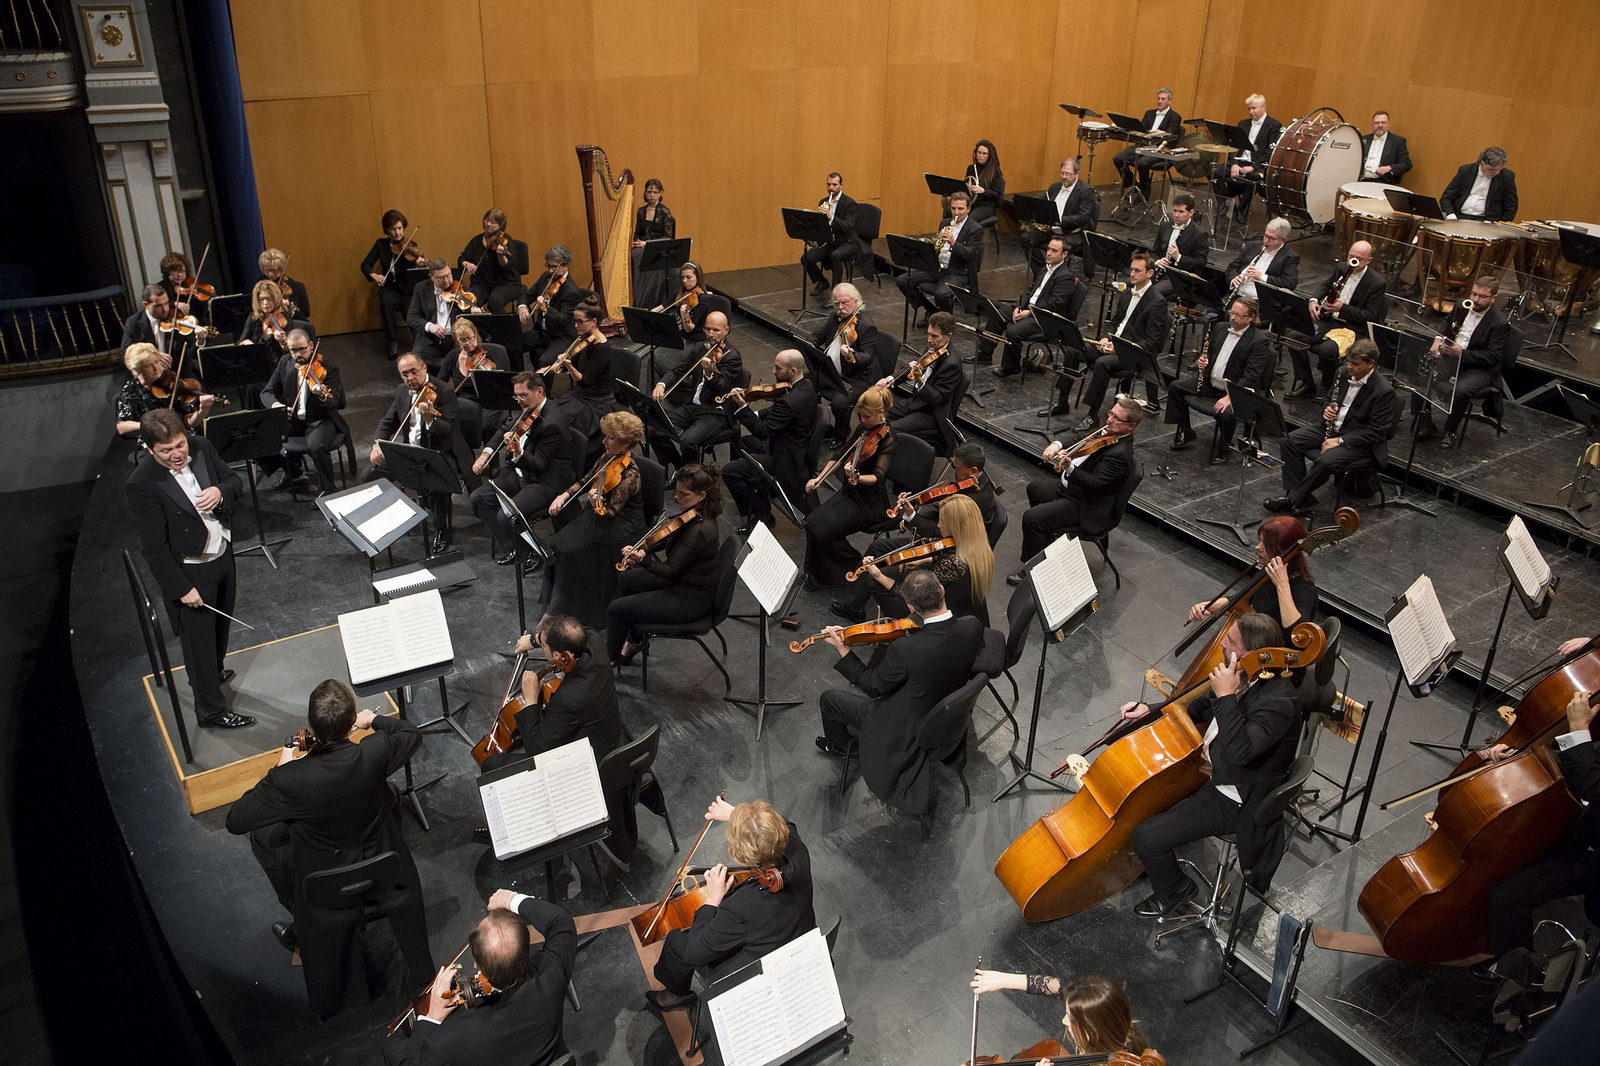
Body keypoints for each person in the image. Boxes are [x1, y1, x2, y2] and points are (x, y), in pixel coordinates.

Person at [226, 680, 432, 1020]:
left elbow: (236, 820)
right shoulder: (374, 751)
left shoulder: (289, 780)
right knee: (390, 794)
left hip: (324, 885)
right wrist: (373, 721)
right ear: (351, 719)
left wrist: (278, 768)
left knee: (263, 838)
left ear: (311, 726)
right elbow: (410, 733)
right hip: (384, 867)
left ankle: (295, 910)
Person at [1124, 611, 1300, 915]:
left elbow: (1239, 753)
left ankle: (1174, 889)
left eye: (1230, 642)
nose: (1223, 646)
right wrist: (1149, 711)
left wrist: (1226, 697)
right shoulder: (1244, 675)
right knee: (1140, 802)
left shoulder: (1278, 703)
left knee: (1146, 837)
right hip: (1210, 771)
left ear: (1254, 654)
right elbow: (1193, 709)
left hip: (1234, 797)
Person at [815, 569, 983, 813]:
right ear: (942, 591)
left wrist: (843, 650)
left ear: (911, 607)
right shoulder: (972, 626)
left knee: (829, 699)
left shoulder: (906, 649)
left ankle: (840, 747)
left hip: (904, 726)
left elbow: (873, 686)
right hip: (943, 716)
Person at [1477, 641, 1598, 978]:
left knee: (1507, 895)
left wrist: (1578, 730)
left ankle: (1519, 979)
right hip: (1588, 827)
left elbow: (1594, 786)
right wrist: (1522, 757)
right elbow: (1587, 760)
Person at [125, 408, 251, 728]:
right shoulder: (142, 483)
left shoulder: (201, 447)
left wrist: (219, 491)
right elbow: (154, 549)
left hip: (222, 556)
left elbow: (234, 480)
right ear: (149, 450)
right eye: (166, 451)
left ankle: (212, 673)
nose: (177, 454)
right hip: (191, 572)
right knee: (198, 645)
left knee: (219, 631)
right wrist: (182, 589)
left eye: (179, 445)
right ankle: (211, 711)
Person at [647, 798, 816, 1013]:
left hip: (756, 971)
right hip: (798, 940)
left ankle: (675, 995)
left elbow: (694, 953)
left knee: (676, 942)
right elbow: (785, 824)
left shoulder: (739, 908)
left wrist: (712, 900)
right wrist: (740, 817)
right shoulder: (797, 849)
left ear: (740, 853)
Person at [384, 889, 574, 1066]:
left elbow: (407, 1061)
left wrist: (431, 1018)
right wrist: (511, 899)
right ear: (526, 951)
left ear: (476, 963)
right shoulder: (552, 974)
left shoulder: (451, 1039)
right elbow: (560, 921)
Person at [479, 615, 624, 776]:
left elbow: (537, 749)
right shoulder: (595, 643)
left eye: (544, 646)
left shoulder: (568, 698)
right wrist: (535, 640)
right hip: (611, 735)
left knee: (491, 765)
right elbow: (580, 628)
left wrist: (531, 700)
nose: (543, 648)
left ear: (557, 656)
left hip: (589, 762)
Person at [609, 463, 723, 665]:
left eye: (683, 494)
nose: (676, 497)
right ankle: (635, 640)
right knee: (626, 579)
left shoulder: (700, 530)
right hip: (681, 582)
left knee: (617, 609)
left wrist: (642, 560)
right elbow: (666, 537)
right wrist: (644, 548)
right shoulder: (693, 513)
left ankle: (609, 661)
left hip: (689, 599)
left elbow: (670, 570)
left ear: (701, 496)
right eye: (677, 492)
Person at [1015, 398, 1141, 580]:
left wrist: (1070, 467)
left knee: (1032, 518)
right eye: (1110, 414)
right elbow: (1080, 437)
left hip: (1087, 505)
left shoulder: (1120, 454)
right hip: (1074, 489)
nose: (1109, 420)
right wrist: (1056, 444)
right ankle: (1045, 539)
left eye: (1116, 418)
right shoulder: (1107, 432)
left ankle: (1032, 572)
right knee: (1035, 488)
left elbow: (1095, 484)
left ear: (1131, 427)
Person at [1266, 338, 1396, 515]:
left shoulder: (1383, 391)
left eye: (1355, 364)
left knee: (1325, 461)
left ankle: (1292, 500)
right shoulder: (1342, 373)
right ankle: (1302, 497)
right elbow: (1328, 397)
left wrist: (1340, 441)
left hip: (1359, 443)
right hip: (1330, 428)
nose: (1349, 367)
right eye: (1348, 361)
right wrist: (1327, 408)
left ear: (1371, 363)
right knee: (1289, 440)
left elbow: (1377, 432)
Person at [542, 411, 646, 630]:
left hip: (620, 527)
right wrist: (564, 495)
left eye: (610, 437)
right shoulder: (608, 456)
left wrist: (594, 504)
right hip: (597, 515)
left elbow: (610, 513)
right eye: (605, 435)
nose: (604, 441)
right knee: (555, 545)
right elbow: (586, 479)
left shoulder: (630, 476)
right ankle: (556, 603)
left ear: (625, 442)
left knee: (571, 552)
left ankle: (557, 611)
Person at [1042, 253, 1169, 429]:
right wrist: (1105, 338)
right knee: (1073, 350)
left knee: (1102, 364)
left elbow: (1151, 342)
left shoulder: (1157, 302)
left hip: (1133, 354)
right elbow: (1115, 323)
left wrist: (1119, 348)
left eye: (1137, 270)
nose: (1132, 274)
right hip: (1114, 346)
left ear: (1150, 273)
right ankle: (1062, 401)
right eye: (1131, 269)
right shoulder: (1127, 293)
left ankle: (1093, 416)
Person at [367, 353, 477, 554]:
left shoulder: (444, 392)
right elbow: (387, 422)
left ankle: (442, 529)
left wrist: (430, 420)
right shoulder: (403, 391)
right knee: (371, 475)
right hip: (410, 451)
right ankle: (379, 519)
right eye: (404, 374)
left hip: (441, 451)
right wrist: (377, 444)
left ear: (424, 369)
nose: (410, 378)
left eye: (413, 372)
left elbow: (448, 430)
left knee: (437, 484)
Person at [831, 494, 993, 625]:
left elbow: (913, 595)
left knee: (876, 582)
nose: (938, 525)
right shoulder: (978, 545)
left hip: (943, 618)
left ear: (956, 526)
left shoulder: (954, 563)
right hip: (958, 605)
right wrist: (927, 560)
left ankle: (901, 627)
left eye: (942, 521)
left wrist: (878, 575)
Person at [470, 372, 575, 567]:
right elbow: (504, 430)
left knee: (507, 515)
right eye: (516, 396)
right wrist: (485, 455)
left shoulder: (552, 423)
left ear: (539, 392)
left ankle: (535, 553)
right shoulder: (529, 408)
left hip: (544, 481)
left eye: (523, 395)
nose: (519, 401)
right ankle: (515, 546)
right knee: (479, 499)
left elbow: (541, 466)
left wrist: (518, 452)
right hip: (521, 473)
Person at [969, 969, 1166, 1066]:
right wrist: (1004, 979)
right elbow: (1060, 987)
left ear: (1092, 1032)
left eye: (1070, 1019)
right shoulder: (1120, 1028)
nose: (1064, 1021)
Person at [803, 385, 897, 588]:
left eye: (867, 417)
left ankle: (852, 564)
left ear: (881, 412)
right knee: (812, 523)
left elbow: (879, 477)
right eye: (860, 416)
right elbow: (840, 456)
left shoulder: (888, 439)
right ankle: (816, 576)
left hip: (870, 502)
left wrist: (858, 477)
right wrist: (819, 478)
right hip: (850, 492)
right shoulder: (863, 429)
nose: (863, 421)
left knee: (823, 530)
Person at [722, 349, 819, 533]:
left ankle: (762, 515)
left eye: (778, 368)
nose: (773, 371)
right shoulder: (806, 384)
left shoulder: (789, 402)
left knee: (730, 472)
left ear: (792, 371)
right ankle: (758, 487)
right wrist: (756, 413)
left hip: (784, 459)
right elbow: (778, 409)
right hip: (793, 444)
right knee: (744, 443)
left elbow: (763, 431)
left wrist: (743, 407)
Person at [1166, 296, 1270, 462]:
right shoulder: (1221, 328)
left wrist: (1230, 397)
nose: (1233, 318)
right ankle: (1186, 431)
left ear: (1251, 317)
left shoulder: (1259, 341)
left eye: (1239, 315)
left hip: (1237, 390)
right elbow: (1209, 353)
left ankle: (1224, 447)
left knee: (1226, 414)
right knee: (1176, 387)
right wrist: (1203, 361)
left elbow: (1251, 375)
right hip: (1211, 383)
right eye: (1232, 313)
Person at [1414, 275, 1512, 448]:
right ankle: (1425, 421)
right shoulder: (1461, 305)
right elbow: (1447, 322)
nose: (1475, 299)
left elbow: (1493, 356)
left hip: (1479, 367)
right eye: (1474, 294)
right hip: (1451, 358)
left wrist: (1462, 353)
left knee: (1462, 390)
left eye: (1482, 296)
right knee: (1424, 372)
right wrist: (1437, 340)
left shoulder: (1499, 323)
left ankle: (1450, 430)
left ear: (1493, 298)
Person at [1287, 239, 1388, 399]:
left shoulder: (1376, 283)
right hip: (1330, 320)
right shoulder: (1342, 268)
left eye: (1359, 259)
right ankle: (1307, 383)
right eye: (1351, 256)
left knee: (1328, 350)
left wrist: (1343, 309)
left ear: (1369, 260)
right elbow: (1326, 286)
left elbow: (1372, 316)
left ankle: (1328, 388)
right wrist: (1313, 300)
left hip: (1352, 328)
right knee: (1293, 337)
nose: (1353, 262)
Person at [1189, 516, 1319, 630]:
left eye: (1266, 544)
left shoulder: (1303, 589)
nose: (1258, 547)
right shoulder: (1268, 571)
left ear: (1283, 550)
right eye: (1260, 541)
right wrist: (1207, 606)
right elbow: (1238, 601)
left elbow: (1297, 632)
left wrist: (1282, 585)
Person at [648, 311, 741, 468]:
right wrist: (662, 384)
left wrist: (709, 373)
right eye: (707, 329)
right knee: (655, 430)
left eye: (716, 330)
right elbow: (678, 370)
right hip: (694, 405)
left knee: (688, 441)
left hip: (716, 411)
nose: (710, 334)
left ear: (726, 330)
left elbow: (723, 389)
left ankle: (691, 480)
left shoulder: (731, 357)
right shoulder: (700, 348)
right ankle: (680, 467)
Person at [260, 328, 347, 496]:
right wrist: (277, 406)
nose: (298, 354)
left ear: (311, 345)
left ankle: (329, 490)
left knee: (316, 446)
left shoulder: (328, 367)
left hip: (321, 421)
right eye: (294, 350)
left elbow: (339, 401)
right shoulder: (285, 362)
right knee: (261, 435)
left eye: (302, 349)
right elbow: (267, 392)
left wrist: (322, 396)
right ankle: (292, 471)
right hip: (294, 420)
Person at [986, 234, 1084, 378]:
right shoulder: (1045, 269)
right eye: (1049, 249)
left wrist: (1028, 313)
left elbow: (1054, 305)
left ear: (1064, 254)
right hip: (1029, 309)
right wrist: (1018, 306)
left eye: (1054, 251)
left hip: (1045, 318)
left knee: (1013, 332)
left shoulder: (1065, 277)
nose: (1049, 253)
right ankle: (985, 353)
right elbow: (1030, 291)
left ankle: (1011, 367)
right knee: (998, 313)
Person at [896, 190, 985, 318]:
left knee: (942, 294)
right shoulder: (945, 223)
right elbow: (937, 246)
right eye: (953, 208)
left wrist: (954, 243)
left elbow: (971, 255)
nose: (956, 212)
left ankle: (945, 323)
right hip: (936, 268)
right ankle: (931, 310)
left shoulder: (975, 229)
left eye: (960, 209)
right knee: (903, 280)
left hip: (957, 272)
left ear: (968, 209)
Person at [809, 283, 881, 434]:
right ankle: (818, 425)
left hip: (858, 377)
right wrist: (809, 343)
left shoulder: (866, 326)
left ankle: (841, 434)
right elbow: (817, 335)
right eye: (837, 303)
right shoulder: (835, 317)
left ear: (855, 301)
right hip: (834, 371)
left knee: (839, 403)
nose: (840, 307)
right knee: (806, 383)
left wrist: (850, 355)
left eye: (844, 302)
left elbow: (867, 357)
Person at [545, 295, 618, 443]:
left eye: (580, 322)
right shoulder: (586, 339)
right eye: (575, 321)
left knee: (559, 422)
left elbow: (585, 381)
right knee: (550, 412)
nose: (576, 326)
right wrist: (551, 367)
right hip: (580, 396)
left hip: (596, 403)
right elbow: (575, 360)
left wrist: (569, 366)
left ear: (594, 322)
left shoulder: (602, 348)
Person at [884, 312, 962, 449]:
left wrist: (920, 382)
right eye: (929, 334)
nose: (929, 339)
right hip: (915, 402)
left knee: (890, 429)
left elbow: (938, 398)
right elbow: (914, 367)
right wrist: (890, 379)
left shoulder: (952, 364)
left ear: (948, 336)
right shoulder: (934, 347)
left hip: (930, 414)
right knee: (877, 416)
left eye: (934, 336)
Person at [438, 318, 512, 450]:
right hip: (466, 401)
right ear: (457, 340)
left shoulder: (487, 355)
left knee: (487, 424)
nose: (468, 343)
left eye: (470, 338)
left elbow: (504, 380)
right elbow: (440, 381)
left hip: (489, 399)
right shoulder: (453, 356)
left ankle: (491, 456)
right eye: (463, 340)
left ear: (475, 334)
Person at [114, 341, 211, 436]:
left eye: (157, 362)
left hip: (182, 436)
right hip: (153, 441)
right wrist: (150, 426)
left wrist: (202, 411)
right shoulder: (131, 390)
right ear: (137, 369)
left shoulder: (171, 380)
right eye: (149, 366)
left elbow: (189, 423)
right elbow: (122, 427)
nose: (156, 368)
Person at [1024, 157, 1099, 276]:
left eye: (1068, 174)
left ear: (1077, 174)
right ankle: (1042, 273)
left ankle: (1054, 276)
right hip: (1051, 230)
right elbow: (1042, 205)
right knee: (1027, 238)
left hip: (1071, 233)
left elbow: (1083, 217)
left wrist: (1058, 220)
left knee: (1056, 247)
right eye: (1062, 173)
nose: (1064, 177)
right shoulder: (1054, 187)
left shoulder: (1086, 191)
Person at [361, 209, 420, 357]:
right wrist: (374, 275)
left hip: (406, 288)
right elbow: (365, 264)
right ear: (387, 230)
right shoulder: (381, 245)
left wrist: (420, 263)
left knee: (410, 310)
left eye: (400, 228)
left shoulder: (411, 245)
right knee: (386, 303)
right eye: (393, 229)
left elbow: (417, 271)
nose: (397, 232)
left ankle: (419, 341)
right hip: (389, 288)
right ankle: (392, 341)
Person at [1213, 94, 1282, 221]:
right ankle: (1227, 204)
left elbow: (1270, 152)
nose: (1251, 112)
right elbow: (1234, 146)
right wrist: (1234, 163)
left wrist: (1252, 167)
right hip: (1239, 161)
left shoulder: (1274, 125)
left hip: (1257, 165)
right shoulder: (1243, 124)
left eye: (1254, 108)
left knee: (1254, 178)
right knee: (1214, 172)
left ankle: (1241, 209)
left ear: (1263, 107)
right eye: (1249, 109)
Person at [517, 245, 586, 368]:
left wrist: (546, 307)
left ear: (566, 266)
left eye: (554, 267)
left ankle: (543, 387)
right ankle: (517, 379)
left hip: (561, 336)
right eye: (548, 266)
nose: (550, 270)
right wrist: (522, 306)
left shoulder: (571, 291)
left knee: (544, 361)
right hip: (543, 331)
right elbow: (527, 295)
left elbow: (563, 320)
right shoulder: (546, 277)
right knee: (513, 344)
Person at [1113, 88, 1183, 201]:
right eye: (1158, 98)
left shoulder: (1175, 116)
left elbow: (1170, 134)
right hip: (1143, 145)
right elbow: (1142, 129)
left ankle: (1144, 192)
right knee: (1119, 158)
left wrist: (1157, 133)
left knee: (1142, 163)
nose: (1160, 101)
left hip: (1160, 148)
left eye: (1163, 99)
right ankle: (1133, 185)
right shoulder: (1149, 113)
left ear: (1169, 101)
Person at [459, 208, 529, 311]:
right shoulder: (476, 241)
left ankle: (502, 326)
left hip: (506, 283)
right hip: (482, 283)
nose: (488, 224)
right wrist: (466, 264)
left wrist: (501, 256)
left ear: (500, 225)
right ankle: (479, 326)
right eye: (486, 220)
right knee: (471, 301)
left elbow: (507, 266)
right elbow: (462, 258)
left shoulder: (506, 241)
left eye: (493, 222)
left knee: (495, 301)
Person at [802, 172, 858, 298]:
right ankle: (822, 282)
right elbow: (822, 228)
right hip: (832, 241)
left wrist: (831, 217)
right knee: (806, 258)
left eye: (834, 184)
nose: (831, 188)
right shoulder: (823, 202)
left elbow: (848, 227)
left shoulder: (849, 204)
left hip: (848, 241)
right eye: (828, 184)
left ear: (841, 185)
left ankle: (836, 293)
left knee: (835, 256)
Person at [407, 258, 465, 372]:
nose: (447, 281)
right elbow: (411, 317)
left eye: (448, 275)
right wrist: (430, 326)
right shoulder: (421, 288)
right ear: (431, 277)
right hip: (431, 339)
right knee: (414, 361)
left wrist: (474, 310)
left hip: (455, 340)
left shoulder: (460, 289)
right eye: (441, 278)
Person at [1150, 193, 1210, 300]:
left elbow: (1200, 263)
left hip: (1178, 278)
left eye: (1181, 212)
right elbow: (1154, 251)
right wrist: (1158, 262)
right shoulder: (1165, 226)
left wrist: (1178, 257)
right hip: (1158, 271)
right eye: (1175, 211)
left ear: (1191, 212)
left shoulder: (1200, 234)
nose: (1176, 215)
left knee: (1151, 293)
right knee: (1133, 284)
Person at [1225, 218, 1299, 303]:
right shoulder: (1252, 246)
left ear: (1283, 240)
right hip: (1236, 295)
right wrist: (1234, 279)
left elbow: (1289, 283)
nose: (1266, 241)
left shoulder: (1290, 257)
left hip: (1258, 302)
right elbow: (1232, 267)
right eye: (1266, 236)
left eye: (1271, 238)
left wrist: (1261, 277)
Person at [631, 178, 677, 309]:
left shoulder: (664, 212)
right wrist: (634, 242)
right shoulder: (641, 211)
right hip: (641, 246)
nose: (652, 195)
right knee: (634, 254)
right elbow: (637, 232)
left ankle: (650, 299)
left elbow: (668, 237)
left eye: (655, 192)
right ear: (645, 193)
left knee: (640, 256)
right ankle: (638, 299)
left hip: (658, 247)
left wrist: (646, 243)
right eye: (649, 192)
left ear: (660, 193)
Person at [1441, 147, 1518, 222]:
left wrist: (1498, 225)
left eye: (1500, 169)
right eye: (1492, 170)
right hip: (1459, 216)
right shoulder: (1465, 171)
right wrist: (1450, 214)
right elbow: (1447, 197)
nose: (1497, 172)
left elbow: (1511, 207)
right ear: (1482, 163)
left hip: (1487, 221)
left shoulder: (1506, 177)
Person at [238, 278, 300, 360]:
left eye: (269, 298)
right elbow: (240, 342)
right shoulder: (254, 317)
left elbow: (290, 350)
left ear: (276, 298)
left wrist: (281, 342)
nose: (265, 303)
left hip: (280, 362)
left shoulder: (285, 316)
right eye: (261, 299)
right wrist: (246, 343)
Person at [653, 261, 713, 342]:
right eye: (683, 277)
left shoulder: (703, 299)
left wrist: (684, 314)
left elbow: (689, 328)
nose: (685, 281)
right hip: (683, 336)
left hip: (696, 340)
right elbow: (662, 307)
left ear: (698, 277)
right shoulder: (682, 293)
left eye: (689, 277)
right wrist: (649, 314)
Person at [121, 282, 177, 352]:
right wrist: (150, 358)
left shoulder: (175, 319)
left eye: (166, 303)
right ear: (145, 305)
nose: (165, 309)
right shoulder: (133, 323)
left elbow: (190, 352)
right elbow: (124, 355)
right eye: (158, 306)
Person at [257, 248, 310, 321]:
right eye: (267, 270)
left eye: (274, 270)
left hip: (292, 323)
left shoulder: (295, 286)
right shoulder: (259, 285)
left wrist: (288, 308)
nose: (270, 274)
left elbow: (304, 313)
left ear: (282, 269)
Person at [963, 139, 1006, 228]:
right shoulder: (971, 168)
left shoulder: (994, 172)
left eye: (984, 153)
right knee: (950, 211)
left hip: (986, 206)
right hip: (972, 203)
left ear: (989, 156)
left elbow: (997, 194)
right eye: (979, 152)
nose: (981, 156)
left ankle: (966, 240)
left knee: (968, 220)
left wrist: (983, 191)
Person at [1360, 111, 1412, 184]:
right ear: (1372, 125)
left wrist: (1388, 168)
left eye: (1383, 122)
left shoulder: (1398, 141)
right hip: (1360, 180)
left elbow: (1406, 164)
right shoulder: (1363, 139)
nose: (1380, 125)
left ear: (1388, 125)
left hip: (1383, 181)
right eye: (1377, 123)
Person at [158, 251, 197, 320]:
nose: (180, 275)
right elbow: (157, 305)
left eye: (183, 271)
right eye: (176, 271)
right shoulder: (159, 288)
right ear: (167, 271)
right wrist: (175, 304)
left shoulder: (189, 286)